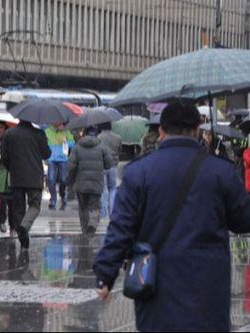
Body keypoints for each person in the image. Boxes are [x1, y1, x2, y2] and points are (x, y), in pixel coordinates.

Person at [94, 103, 250, 332]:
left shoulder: (138, 172)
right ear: (197, 129)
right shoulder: (221, 171)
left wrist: (106, 275)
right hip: (208, 289)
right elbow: (243, 221)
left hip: (157, 286)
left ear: (161, 131)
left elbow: (121, 228)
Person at [2, 120, 51, 249]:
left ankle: (22, 237)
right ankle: (25, 226)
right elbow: (47, 154)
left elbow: (4, 158)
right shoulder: (39, 134)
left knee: (18, 208)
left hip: (16, 176)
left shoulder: (9, 134)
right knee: (34, 205)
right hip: (34, 177)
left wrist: (12, 168)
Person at [68, 126, 112, 236]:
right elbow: (109, 164)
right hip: (96, 183)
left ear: (84, 134)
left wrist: (72, 179)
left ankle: (84, 230)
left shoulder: (77, 147)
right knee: (95, 206)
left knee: (83, 208)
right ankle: (92, 224)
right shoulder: (102, 146)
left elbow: (71, 167)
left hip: (80, 183)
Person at [45, 123, 75, 211]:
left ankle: (62, 196)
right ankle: (53, 199)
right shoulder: (47, 131)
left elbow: (73, 144)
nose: (58, 123)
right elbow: (43, 143)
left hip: (63, 159)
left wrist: (66, 141)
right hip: (51, 159)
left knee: (63, 179)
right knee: (51, 179)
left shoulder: (66, 131)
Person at [97, 123, 122, 219]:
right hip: (113, 165)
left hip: (102, 165)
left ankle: (103, 212)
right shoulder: (117, 137)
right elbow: (119, 149)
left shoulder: (99, 137)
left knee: (103, 189)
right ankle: (112, 211)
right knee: (113, 188)